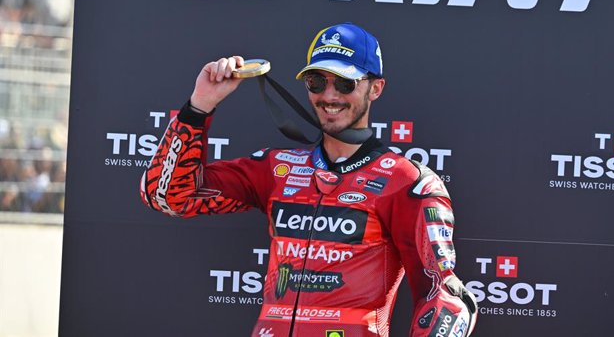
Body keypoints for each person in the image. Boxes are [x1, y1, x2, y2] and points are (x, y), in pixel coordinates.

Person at [140, 23, 477, 337]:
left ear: (375, 88)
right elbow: (167, 196)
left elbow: (447, 298)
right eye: (317, 82)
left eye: (345, 83)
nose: (329, 96)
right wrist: (199, 106)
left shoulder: (406, 181)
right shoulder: (276, 169)